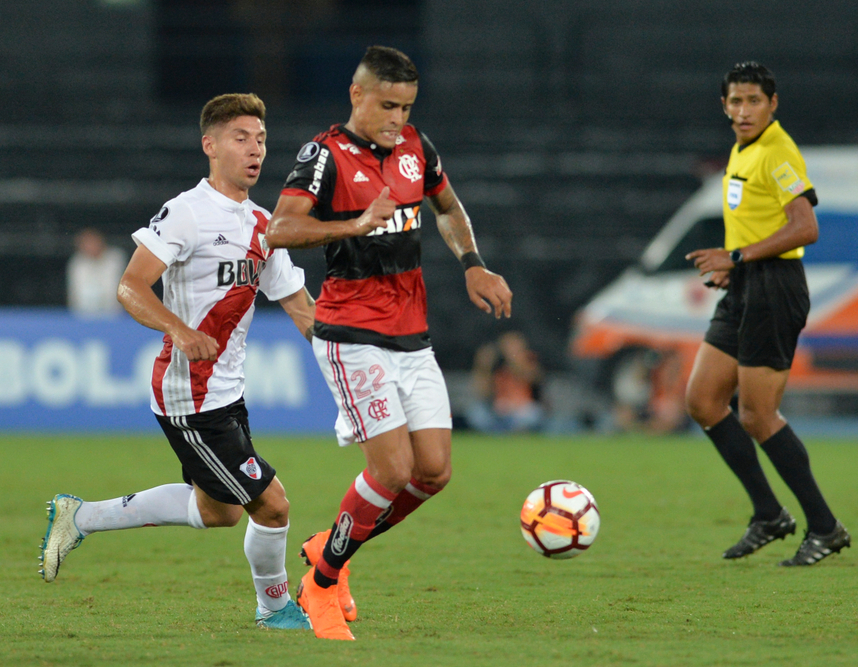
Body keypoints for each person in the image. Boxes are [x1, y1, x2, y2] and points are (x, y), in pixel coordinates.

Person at [39, 93, 317, 629]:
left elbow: (301, 308)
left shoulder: (266, 223)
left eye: (260, 139)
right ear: (209, 145)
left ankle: (81, 517)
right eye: (241, 138)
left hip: (228, 391)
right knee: (273, 505)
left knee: (220, 511)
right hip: (188, 394)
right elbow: (130, 285)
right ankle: (275, 609)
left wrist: (347, 357)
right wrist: (179, 329)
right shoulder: (187, 213)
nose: (255, 149)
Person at [265, 45, 513, 640]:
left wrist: (473, 263)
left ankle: (332, 546)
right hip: (352, 334)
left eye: (405, 107)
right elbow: (279, 228)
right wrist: (351, 224)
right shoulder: (323, 155)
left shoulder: (415, 149)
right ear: (358, 95)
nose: (397, 118)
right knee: (393, 469)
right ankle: (321, 585)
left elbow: (449, 209)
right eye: (387, 105)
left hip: (411, 335)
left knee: (433, 473)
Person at [684, 62, 850, 566]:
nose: (743, 110)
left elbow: (805, 227)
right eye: (735, 101)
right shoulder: (742, 150)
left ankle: (824, 526)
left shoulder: (777, 152)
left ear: (772, 104)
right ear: (724, 106)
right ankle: (769, 515)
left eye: (753, 100)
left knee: (757, 415)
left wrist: (737, 257)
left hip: (775, 287)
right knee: (703, 400)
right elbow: (758, 220)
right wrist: (736, 267)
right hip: (747, 284)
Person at [466, 331, 546, 433]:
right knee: (477, 413)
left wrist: (514, 359)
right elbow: (482, 392)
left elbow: (534, 378)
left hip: (522, 410)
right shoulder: (496, 366)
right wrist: (483, 366)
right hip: (499, 411)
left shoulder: (530, 360)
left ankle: (513, 433)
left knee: (533, 415)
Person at [66, 228, 127, 316]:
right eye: (86, 243)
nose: (91, 246)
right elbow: (75, 294)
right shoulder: (77, 263)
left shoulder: (115, 258)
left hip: (113, 315)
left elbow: (115, 290)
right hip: (84, 316)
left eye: (93, 242)